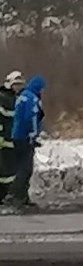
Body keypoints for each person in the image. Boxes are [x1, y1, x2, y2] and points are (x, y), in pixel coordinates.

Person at [4, 75, 46, 209]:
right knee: (25, 168)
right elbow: (31, 117)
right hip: (24, 138)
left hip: (17, 136)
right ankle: (14, 196)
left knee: (22, 167)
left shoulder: (23, 96)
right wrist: (33, 135)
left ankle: (22, 197)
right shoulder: (31, 98)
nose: (42, 91)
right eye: (42, 89)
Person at [0, 71, 25, 202]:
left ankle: (5, 196)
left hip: (12, 141)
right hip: (4, 142)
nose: (18, 87)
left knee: (10, 172)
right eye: (16, 84)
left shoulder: (14, 99)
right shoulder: (3, 98)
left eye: (20, 85)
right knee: (3, 172)